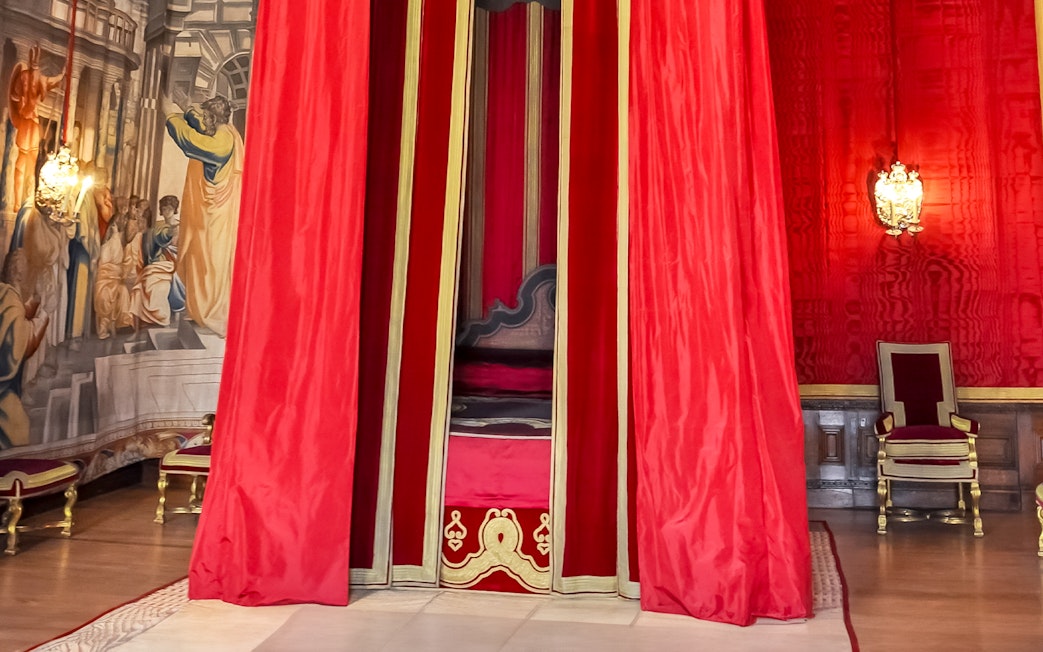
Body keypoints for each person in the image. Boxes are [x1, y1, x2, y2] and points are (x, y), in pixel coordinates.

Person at [164, 95, 243, 337]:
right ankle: (201, 311)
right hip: (211, 217)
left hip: (214, 220)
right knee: (202, 262)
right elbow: (200, 129)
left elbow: (191, 142)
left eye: (205, 116)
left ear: (212, 117)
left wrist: (171, 116)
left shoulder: (220, 143)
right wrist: (187, 108)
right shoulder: (225, 132)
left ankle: (211, 313)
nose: (203, 120)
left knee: (209, 264)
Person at [0, 250, 49, 449]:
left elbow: (18, 316)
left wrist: (36, 299)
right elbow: (22, 347)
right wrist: (43, 318)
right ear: (18, 272)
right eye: (25, 266)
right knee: (19, 429)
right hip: (3, 390)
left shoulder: (5, 293)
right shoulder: (11, 301)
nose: (29, 270)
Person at [7, 45, 63, 210]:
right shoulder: (31, 76)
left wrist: (62, 75)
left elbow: (15, 96)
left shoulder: (29, 76)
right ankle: (19, 201)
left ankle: (23, 201)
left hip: (30, 121)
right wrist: (63, 74)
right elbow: (15, 96)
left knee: (28, 164)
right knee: (23, 163)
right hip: (28, 121)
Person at [130, 195, 185, 327]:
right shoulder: (158, 226)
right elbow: (161, 238)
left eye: (170, 209)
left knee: (156, 285)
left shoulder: (181, 226)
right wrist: (170, 232)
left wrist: (173, 231)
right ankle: (145, 322)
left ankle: (159, 318)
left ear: (175, 210)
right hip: (161, 264)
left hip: (175, 265)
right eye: (164, 209)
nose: (167, 212)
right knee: (144, 284)